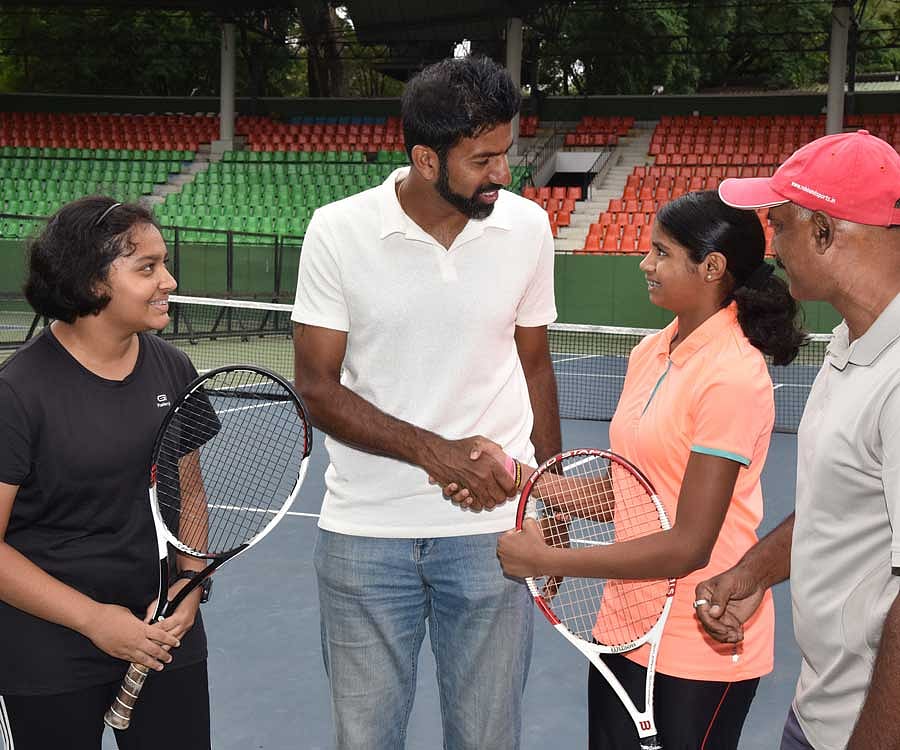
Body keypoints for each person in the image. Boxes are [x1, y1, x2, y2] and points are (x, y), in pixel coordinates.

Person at [291, 55, 561, 750]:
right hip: (364, 535)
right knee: (366, 741)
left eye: (507, 152)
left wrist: (550, 502)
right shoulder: (337, 230)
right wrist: (439, 456)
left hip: (494, 534)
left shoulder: (528, 229)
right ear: (425, 158)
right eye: (484, 159)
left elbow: (536, 364)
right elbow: (317, 386)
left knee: (486, 739)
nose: (505, 173)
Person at [492, 190, 806, 749]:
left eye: (661, 253)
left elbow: (689, 544)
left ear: (711, 268)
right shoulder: (650, 352)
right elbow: (636, 494)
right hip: (622, 628)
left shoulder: (732, 375)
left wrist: (551, 559)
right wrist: (524, 479)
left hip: (701, 638)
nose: (645, 264)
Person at [694, 130, 900, 750]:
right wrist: (755, 571)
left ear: (825, 232)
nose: (771, 245)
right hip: (819, 714)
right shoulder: (849, 345)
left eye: (778, 224)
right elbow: (839, 510)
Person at [0, 197, 211, 749]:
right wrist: (97, 621)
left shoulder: (173, 366)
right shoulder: (17, 393)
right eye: (147, 267)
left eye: (164, 262)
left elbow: (188, 493)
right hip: (49, 646)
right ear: (92, 282)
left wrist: (188, 586)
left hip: (164, 630)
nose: (168, 279)